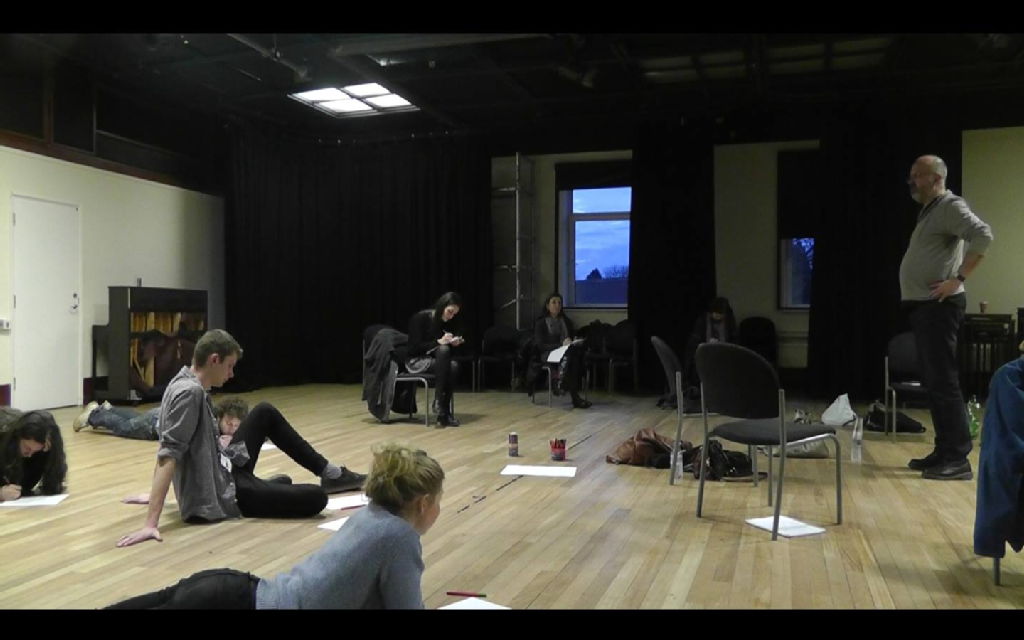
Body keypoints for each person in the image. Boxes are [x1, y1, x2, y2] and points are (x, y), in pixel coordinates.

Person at [107, 442, 444, 609]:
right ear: (423, 503)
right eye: (438, 500)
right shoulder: (399, 537)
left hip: (231, 590)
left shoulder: (370, 515)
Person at [116, 329, 367, 547]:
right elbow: (168, 453)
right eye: (229, 366)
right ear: (214, 360)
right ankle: (265, 487)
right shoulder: (189, 393)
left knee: (264, 412)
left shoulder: (182, 380)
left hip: (226, 469)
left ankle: (328, 474)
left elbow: (171, 445)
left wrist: (154, 493)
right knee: (316, 498)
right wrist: (151, 523)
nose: (231, 374)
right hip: (227, 494)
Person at [900, 154, 993, 480]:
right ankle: (944, 450)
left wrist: (958, 279)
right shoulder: (931, 210)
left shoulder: (950, 206)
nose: (911, 180)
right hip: (926, 307)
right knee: (934, 381)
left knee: (943, 381)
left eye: (917, 175)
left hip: (939, 306)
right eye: (911, 174)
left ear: (936, 178)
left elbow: (983, 235)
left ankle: (957, 458)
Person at [406, 292, 465, 427]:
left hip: (437, 362)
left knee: (453, 365)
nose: (451, 316)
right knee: (445, 352)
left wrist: (453, 342)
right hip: (416, 360)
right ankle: (442, 410)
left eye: (454, 314)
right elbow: (413, 349)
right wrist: (438, 342)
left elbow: (443, 353)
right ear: (442, 306)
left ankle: (442, 410)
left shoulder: (444, 322)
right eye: (450, 312)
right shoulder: (420, 318)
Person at [73, 397, 248, 442]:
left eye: (236, 426)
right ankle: (94, 415)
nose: (231, 429)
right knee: (124, 428)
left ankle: (109, 409)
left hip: (160, 414)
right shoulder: (211, 425)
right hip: (155, 426)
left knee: (137, 417)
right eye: (228, 423)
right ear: (220, 416)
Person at [525, 292, 591, 409]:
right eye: (554, 302)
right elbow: (541, 346)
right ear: (547, 306)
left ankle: (561, 382)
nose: (557, 305)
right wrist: (560, 345)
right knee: (570, 358)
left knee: (573, 356)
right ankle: (569, 392)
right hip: (547, 353)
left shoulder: (566, 321)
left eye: (559, 303)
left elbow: (569, 338)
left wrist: (574, 341)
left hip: (565, 352)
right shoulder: (541, 323)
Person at [679, 296, 736, 408]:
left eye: (720, 314)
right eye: (715, 313)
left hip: (724, 355)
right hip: (704, 355)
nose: (717, 316)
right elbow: (694, 342)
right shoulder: (702, 321)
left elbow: (734, 341)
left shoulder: (729, 321)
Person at [0, 408, 67, 502]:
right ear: (17, 437)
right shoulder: (5, 435)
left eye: (36, 450)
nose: (30, 455)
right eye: (27, 448)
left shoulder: (41, 450)